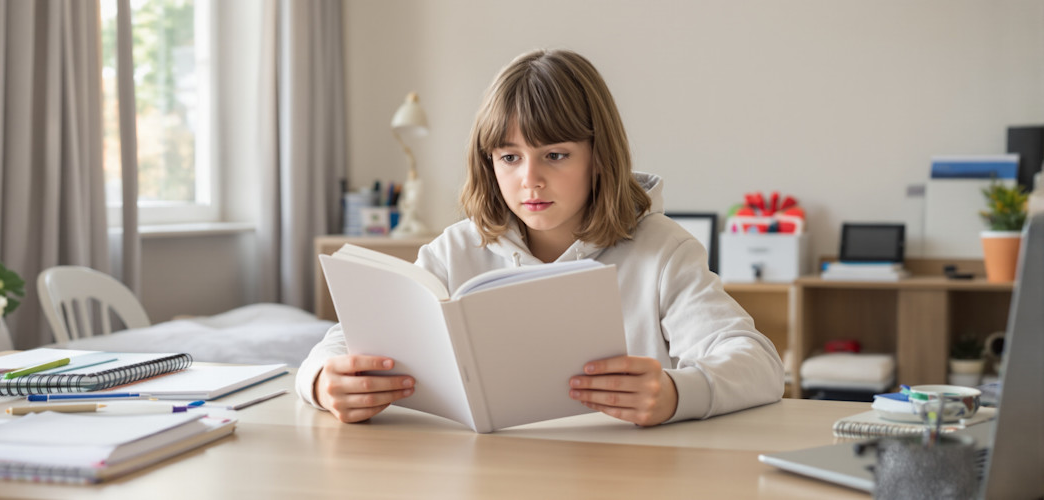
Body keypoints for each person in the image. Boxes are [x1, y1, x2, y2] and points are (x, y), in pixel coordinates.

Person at [297, 49, 784, 427]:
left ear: (599, 156)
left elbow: (758, 363)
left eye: (555, 155)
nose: (529, 180)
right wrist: (321, 381)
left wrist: (677, 394)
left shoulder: (663, 251)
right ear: (489, 161)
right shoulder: (452, 251)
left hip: (622, 472)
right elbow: (341, 342)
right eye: (509, 157)